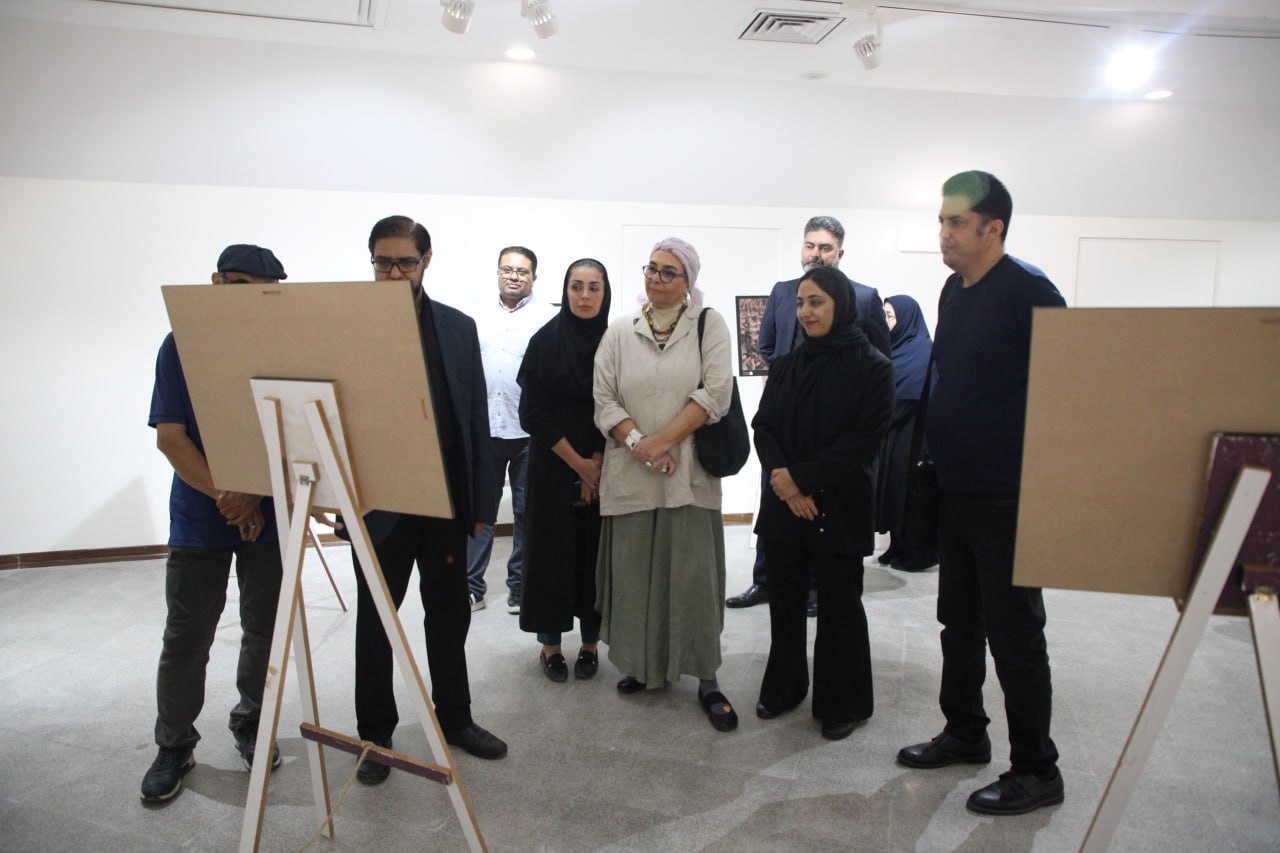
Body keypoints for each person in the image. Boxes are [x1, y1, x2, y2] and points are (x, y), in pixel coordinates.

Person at [897, 171, 1066, 816]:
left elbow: (1064, 390)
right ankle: (965, 731)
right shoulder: (953, 290)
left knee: (1015, 635)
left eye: (957, 223)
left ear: (994, 228)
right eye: (941, 221)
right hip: (957, 488)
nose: (943, 233)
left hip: (1009, 495)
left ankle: (1037, 770)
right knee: (959, 622)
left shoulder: (1030, 292)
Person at [322, 215, 507, 785]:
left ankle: (455, 718)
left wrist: (481, 503)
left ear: (427, 261)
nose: (394, 272)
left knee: (449, 614)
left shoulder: (457, 327)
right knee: (377, 620)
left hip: (444, 501)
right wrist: (335, 495)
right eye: (383, 262)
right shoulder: (345, 328)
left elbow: (474, 416)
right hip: (378, 503)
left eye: (404, 261)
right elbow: (328, 415)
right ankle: (375, 736)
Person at [140, 244, 287, 803]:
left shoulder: (284, 348)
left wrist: (255, 494)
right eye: (234, 283)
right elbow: (170, 437)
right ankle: (174, 743)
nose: (242, 296)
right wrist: (231, 497)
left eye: (258, 289)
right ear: (214, 282)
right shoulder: (181, 344)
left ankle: (253, 720)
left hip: (268, 511)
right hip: (202, 514)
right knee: (187, 635)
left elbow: (299, 433)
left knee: (265, 628)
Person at [593, 237, 739, 732]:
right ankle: (644, 666)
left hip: (687, 477)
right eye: (652, 268)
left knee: (692, 580)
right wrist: (641, 443)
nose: (656, 278)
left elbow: (715, 393)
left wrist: (663, 442)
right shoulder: (619, 332)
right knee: (636, 578)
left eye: (669, 271)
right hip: (632, 475)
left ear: (688, 281)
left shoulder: (708, 325)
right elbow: (604, 399)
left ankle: (706, 677)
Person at [752, 266, 894, 741]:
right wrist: (786, 483)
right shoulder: (788, 365)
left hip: (839, 503)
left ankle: (842, 702)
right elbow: (763, 426)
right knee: (785, 603)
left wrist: (801, 480)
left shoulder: (873, 367)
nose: (805, 312)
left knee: (839, 607)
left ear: (842, 306)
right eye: (801, 303)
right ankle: (784, 687)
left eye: (816, 302)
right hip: (785, 503)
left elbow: (863, 440)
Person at [727, 215, 892, 612]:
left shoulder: (864, 297)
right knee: (777, 506)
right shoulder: (784, 292)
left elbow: (878, 358)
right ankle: (765, 582)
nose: (815, 253)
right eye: (810, 245)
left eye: (825, 247)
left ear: (840, 253)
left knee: (828, 528)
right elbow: (767, 346)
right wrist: (790, 378)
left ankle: (817, 590)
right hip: (787, 424)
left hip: (834, 437)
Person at [517, 259, 612, 681]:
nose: (585, 296)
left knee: (594, 556)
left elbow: (622, 404)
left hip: (605, 464)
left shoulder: (616, 343)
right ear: (565, 290)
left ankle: (590, 644)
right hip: (553, 467)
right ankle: (551, 646)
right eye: (577, 286)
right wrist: (580, 465)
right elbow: (532, 414)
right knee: (551, 556)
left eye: (594, 287)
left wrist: (598, 462)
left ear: (605, 293)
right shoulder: (545, 341)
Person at [466, 247, 555, 614]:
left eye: (522, 271)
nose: (514, 276)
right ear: (498, 272)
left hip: (528, 432)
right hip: (485, 427)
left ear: (534, 276)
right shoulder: (475, 315)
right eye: (507, 269)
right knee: (480, 510)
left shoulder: (548, 319)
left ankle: (520, 586)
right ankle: (472, 587)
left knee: (526, 511)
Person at [875, 295, 937, 571]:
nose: (885, 322)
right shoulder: (892, 350)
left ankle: (917, 553)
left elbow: (907, 398)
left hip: (913, 436)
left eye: (890, 316)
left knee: (910, 493)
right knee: (893, 491)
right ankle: (897, 545)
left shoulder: (921, 351)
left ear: (906, 318)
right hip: (894, 434)